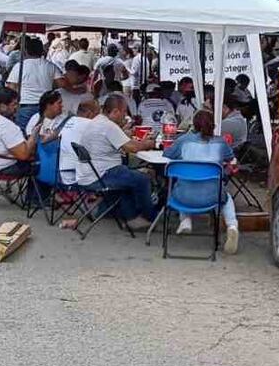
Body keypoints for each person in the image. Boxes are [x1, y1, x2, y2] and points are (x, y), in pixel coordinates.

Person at [163, 109, 240, 254]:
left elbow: (167, 153)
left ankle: (185, 219)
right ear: (212, 125)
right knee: (227, 198)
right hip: (212, 197)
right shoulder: (221, 142)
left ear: (194, 125)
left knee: (183, 184)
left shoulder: (184, 140)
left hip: (183, 197)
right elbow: (231, 158)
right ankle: (232, 226)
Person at [75, 93, 158, 228]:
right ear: (115, 111)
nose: (125, 116)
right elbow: (132, 148)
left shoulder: (97, 121)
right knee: (142, 179)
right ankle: (148, 217)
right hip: (101, 175)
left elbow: (120, 140)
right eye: (123, 112)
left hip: (88, 174)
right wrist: (150, 143)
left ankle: (125, 214)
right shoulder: (108, 126)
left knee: (129, 176)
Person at [6, 36, 68, 128]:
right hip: (46, 106)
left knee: (23, 133)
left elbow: (11, 87)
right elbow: (62, 84)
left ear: (26, 51)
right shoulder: (50, 65)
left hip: (25, 106)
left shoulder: (19, 66)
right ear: (42, 51)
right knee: (43, 131)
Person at [0, 87, 38, 176]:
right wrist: (33, 136)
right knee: (40, 164)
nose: (17, 107)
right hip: (4, 167)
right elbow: (23, 155)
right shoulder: (6, 125)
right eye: (14, 104)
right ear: (3, 106)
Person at [58, 99, 99, 185]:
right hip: (80, 175)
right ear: (89, 113)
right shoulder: (90, 123)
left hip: (63, 174)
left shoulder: (68, 121)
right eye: (97, 114)